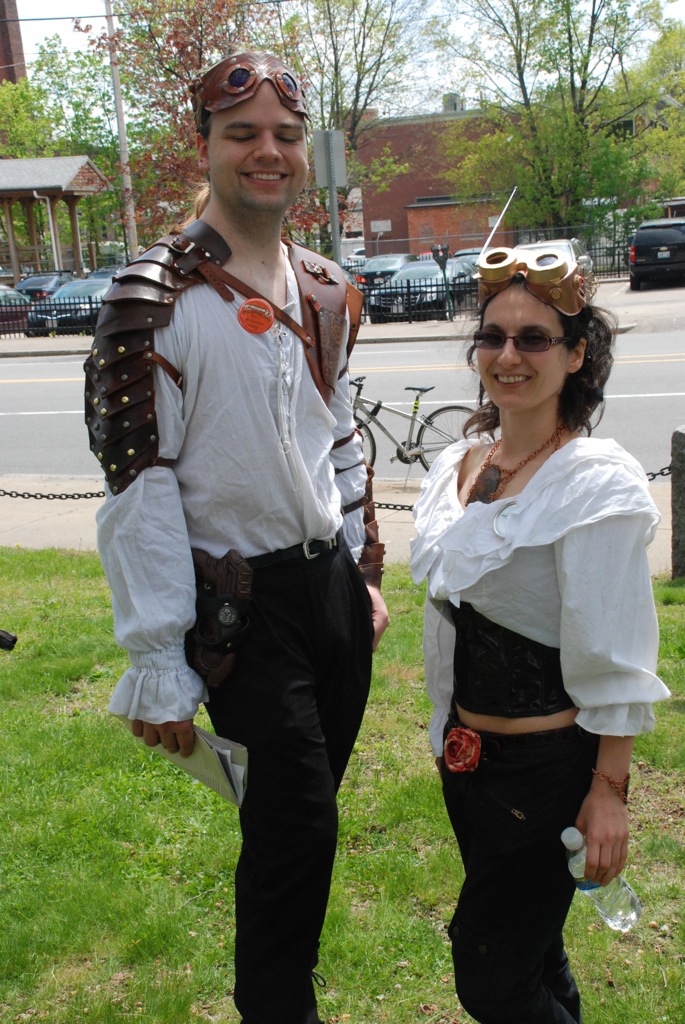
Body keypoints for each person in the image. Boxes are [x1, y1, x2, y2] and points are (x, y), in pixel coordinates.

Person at [85, 50, 389, 1024]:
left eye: (286, 136)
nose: (269, 152)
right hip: (241, 606)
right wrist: (158, 658)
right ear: (204, 145)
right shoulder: (152, 299)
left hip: (330, 592)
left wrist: (363, 569)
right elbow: (139, 492)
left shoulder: (325, 287)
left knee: (302, 820)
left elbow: (337, 435)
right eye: (243, 133)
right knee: (295, 832)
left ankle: (282, 992)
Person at [409, 244, 670, 1024]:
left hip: (544, 771)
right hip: (465, 759)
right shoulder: (459, 463)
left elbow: (616, 654)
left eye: (533, 338)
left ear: (575, 353)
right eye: (492, 337)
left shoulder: (590, 484)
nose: (508, 356)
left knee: (491, 977)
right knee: (533, 950)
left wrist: (607, 792)